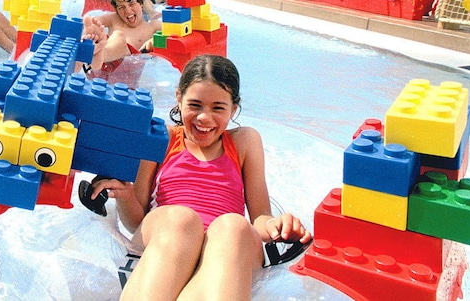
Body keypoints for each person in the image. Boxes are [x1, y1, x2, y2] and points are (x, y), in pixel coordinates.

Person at [87, 54, 312, 300]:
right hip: (171, 236)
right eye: (195, 105)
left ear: (233, 109)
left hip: (223, 247)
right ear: (179, 98)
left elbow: (259, 218)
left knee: (233, 225)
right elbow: (135, 223)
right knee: (182, 219)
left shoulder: (245, 142)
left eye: (218, 108)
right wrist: (126, 195)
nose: (205, 118)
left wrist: (275, 226)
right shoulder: (163, 138)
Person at [83, 0, 162, 74]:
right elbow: (91, 23)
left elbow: (174, 32)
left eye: (132, 4)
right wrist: (93, 31)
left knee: (119, 37)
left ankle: (100, 54)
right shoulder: (113, 19)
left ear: (141, 2)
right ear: (116, 10)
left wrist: (153, 40)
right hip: (103, 67)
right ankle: (98, 52)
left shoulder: (153, 27)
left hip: (127, 74)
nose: (128, 11)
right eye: (121, 7)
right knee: (115, 35)